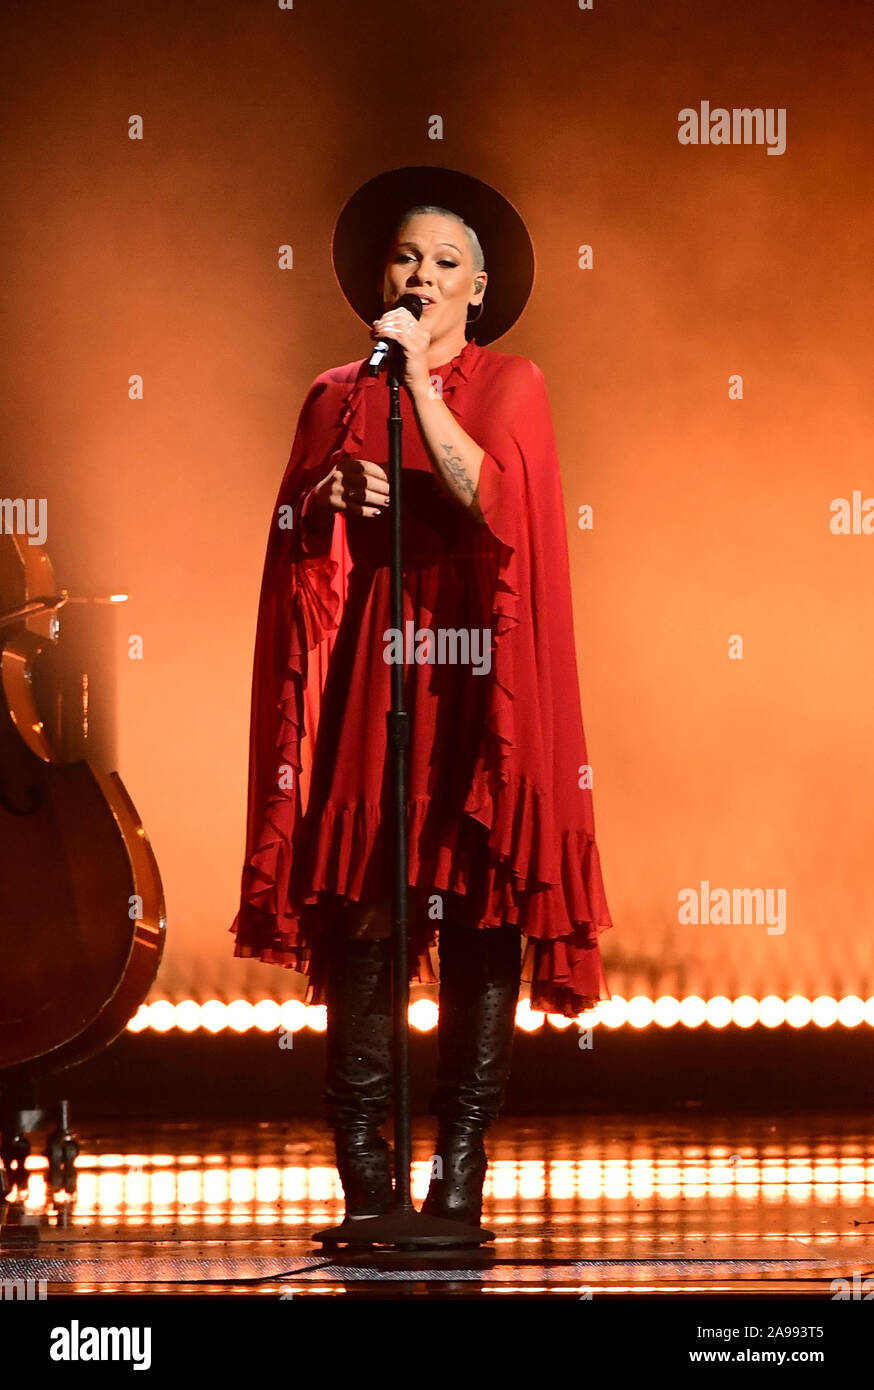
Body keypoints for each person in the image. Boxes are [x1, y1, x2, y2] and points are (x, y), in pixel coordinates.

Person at [231, 173, 613, 1229]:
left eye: (445, 265)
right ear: (378, 274)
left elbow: (493, 498)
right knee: (367, 918)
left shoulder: (512, 383)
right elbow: (286, 546)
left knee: (483, 917)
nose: (421, 278)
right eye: (407, 259)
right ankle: (364, 1174)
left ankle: (459, 1172)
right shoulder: (332, 393)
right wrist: (324, 500)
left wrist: (417, 387)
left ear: (477, 290)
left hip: (476, 679)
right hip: (374, 676)